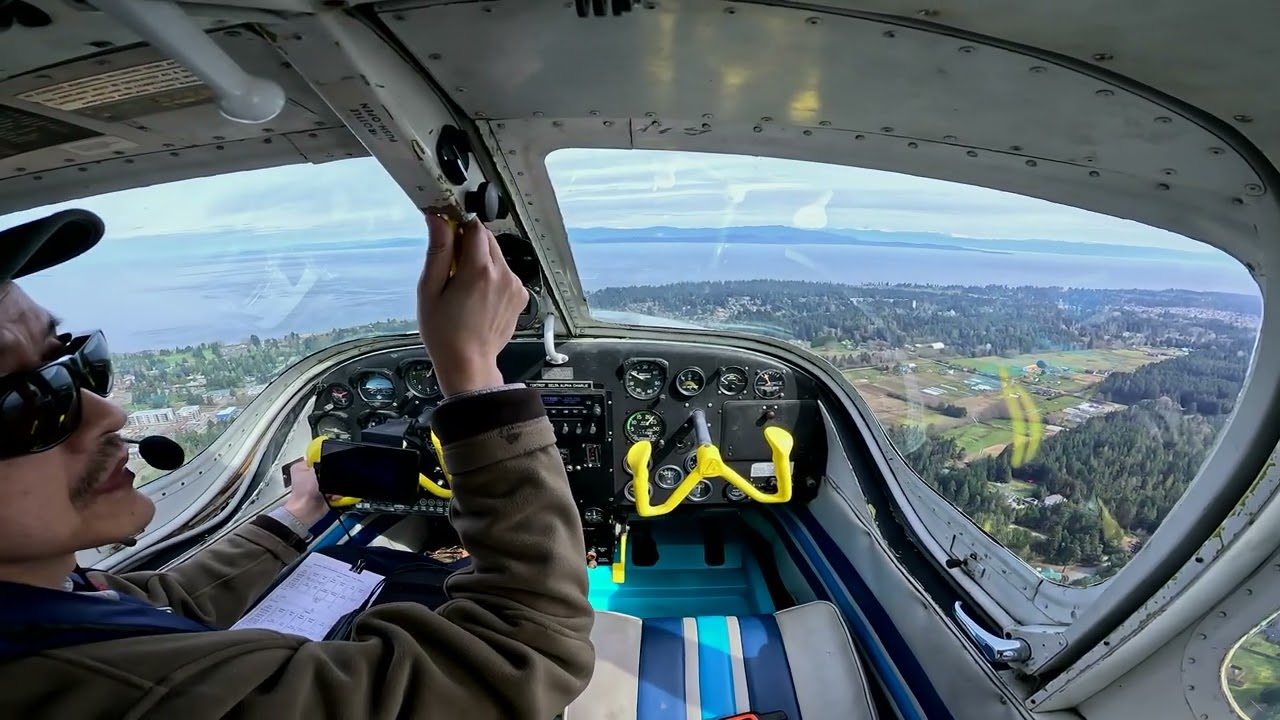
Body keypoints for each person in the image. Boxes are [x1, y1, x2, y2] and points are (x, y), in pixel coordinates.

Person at [0, 209, 596, 718]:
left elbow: (157, 603)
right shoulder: (120, 693)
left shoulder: (46, 603)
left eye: (75, 361)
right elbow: (523, 656)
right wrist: (475, 381)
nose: (107, 414)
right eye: (21, 403)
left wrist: (294, 515)